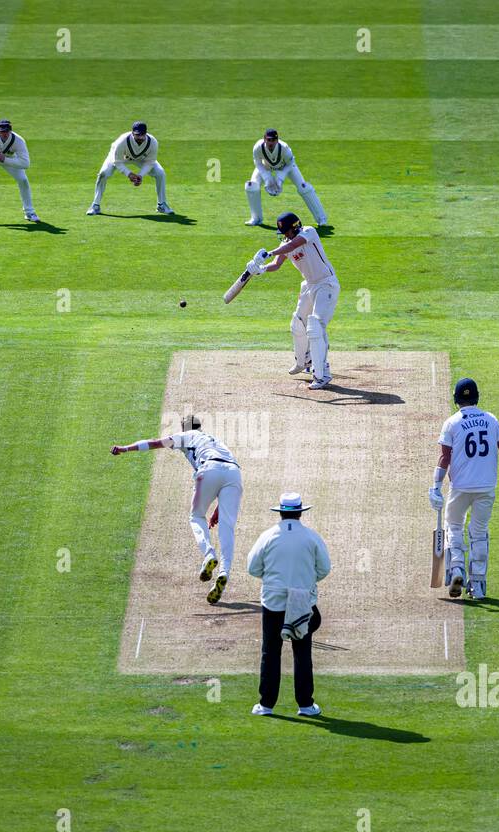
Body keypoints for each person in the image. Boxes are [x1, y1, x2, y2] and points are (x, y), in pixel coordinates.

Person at [111, 413, 242, 604]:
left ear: (184, 428)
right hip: (234, 473)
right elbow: (226, 473)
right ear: (200, 426)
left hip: (208, 469)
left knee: (196, 517)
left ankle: (209, 555)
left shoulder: (185, 436)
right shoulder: (216, 441)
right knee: (227, 527)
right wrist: (219, 509)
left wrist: (126, 448)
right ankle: (224, 572)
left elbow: (154, 443)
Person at [429, 377, 499, 600]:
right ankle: (478, 585)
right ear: (477, 397)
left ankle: (458, 570)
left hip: (461, 487)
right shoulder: (491, 420)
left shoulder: (452, 422)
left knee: (453, 526)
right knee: (479, 533)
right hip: (486, 487)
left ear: (456, 399)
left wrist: (435, 486)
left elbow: (445, 457)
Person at [247, 492, 331, 717]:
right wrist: (305, 581)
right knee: (302, 653)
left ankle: (266, 705)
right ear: (300, 512)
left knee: (270, 652)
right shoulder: (311, 537)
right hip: (302, 602)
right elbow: (324, 568)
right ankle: (305, 704)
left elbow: (253, 568)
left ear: (281, 512)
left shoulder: (267, 536)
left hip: (273, 603)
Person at [244, 211, 339, 389]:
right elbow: (277, 264)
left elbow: (294, 245)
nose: (285, 236)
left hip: (326, 284)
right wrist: (261, 269)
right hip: (309, 285)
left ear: (295, 228)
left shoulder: (309, 232)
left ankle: (323, 374)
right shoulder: (286, 243)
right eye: (284, 233)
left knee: (316, 326)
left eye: (287, 232)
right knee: (297, 322)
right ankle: (304, 360)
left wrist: (269, 252)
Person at [86, 121, 173, 216]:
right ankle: (95, 205)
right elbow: (117, 162)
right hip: (120, 157)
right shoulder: (121, 142)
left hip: (141, 159)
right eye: (137, 135)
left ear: (145, 133)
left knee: (160, 173)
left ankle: (162, 205)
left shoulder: (153, 142)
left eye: (142, 135)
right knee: (104, 173)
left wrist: (140, 175)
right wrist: (129, 174)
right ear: (132, 133)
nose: (139, 137)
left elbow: (150, 162)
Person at [244, 128, 327, 227]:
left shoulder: (284, 148)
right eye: (268, 140)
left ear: (277, 140)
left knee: (304, 187)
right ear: (264, 139)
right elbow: (257, 162)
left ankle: (321, 219)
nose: (271, 143)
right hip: (266, 165)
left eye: (273, 140)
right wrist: (267, 178)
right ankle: (256, 218)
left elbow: (290, 163)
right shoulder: (258, 147)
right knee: (251, 186)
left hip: (286, 166)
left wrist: (280, 179)